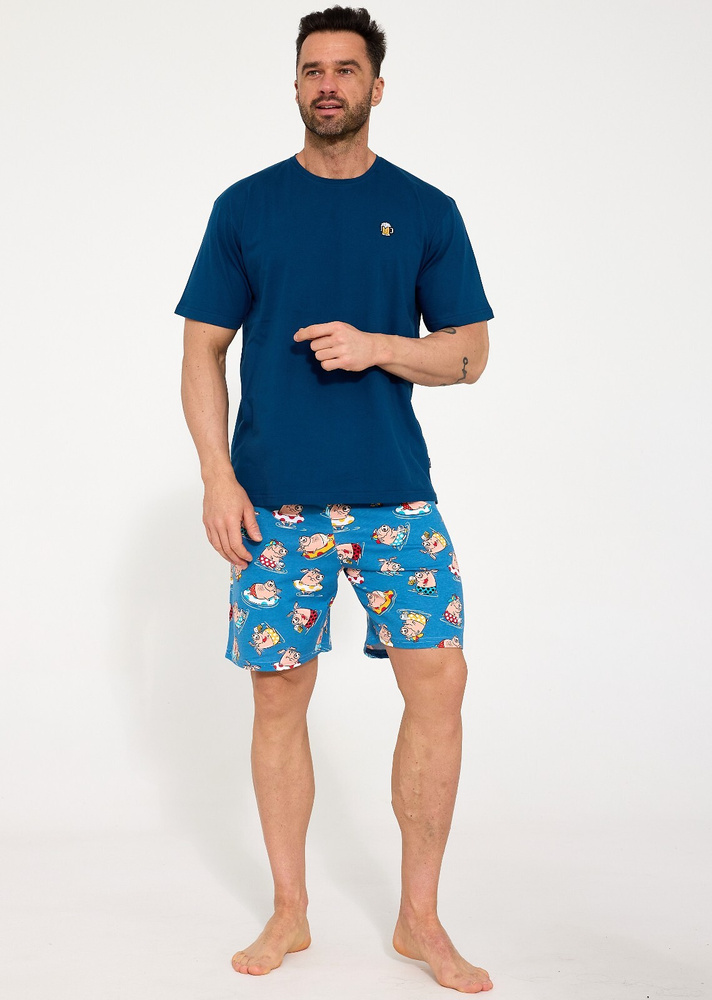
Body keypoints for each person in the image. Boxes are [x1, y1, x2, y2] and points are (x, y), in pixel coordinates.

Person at [175, 5, 494, 993]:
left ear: (375, 88)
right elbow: (200, 350)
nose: (328, 84)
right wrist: (217, 476)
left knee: (438, 683)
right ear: (296, 85)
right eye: (313, 69)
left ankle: (419, 919)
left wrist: (379, 346)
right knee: (278, 697)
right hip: (273, 505)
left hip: (395, 498)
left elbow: (470, 354)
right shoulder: (246, 207)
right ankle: (290, 908)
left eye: (346, 69)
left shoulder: (426, 210)